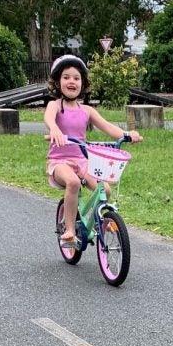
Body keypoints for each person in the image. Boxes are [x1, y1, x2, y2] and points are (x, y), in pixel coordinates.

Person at [44, 55, 142, 247]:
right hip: (60, 161)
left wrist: (127, 134)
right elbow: (49, 117)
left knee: (105, 189)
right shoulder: (54, 105)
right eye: (66, 77)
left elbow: (107, 127)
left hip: (82, 160)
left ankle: (96, 220)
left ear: (83, 83)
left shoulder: (86, 110)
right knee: (73, 182)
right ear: (57, 82)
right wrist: (54, 129)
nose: (71, 81)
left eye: (76, 78)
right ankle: (70, 231)